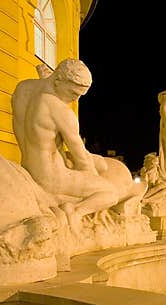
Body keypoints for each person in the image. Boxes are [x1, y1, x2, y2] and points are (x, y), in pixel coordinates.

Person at [12, 59, 122, 228]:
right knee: (110, 192)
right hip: (50, 177)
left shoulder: (23, 89)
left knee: (96, 165)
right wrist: (93, 176)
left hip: (28, 166)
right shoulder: (60, 110)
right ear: (58, 81)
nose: (75, 99)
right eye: (73, 93)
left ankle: (62, 199)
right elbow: (82, 159)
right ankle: (75, 211)